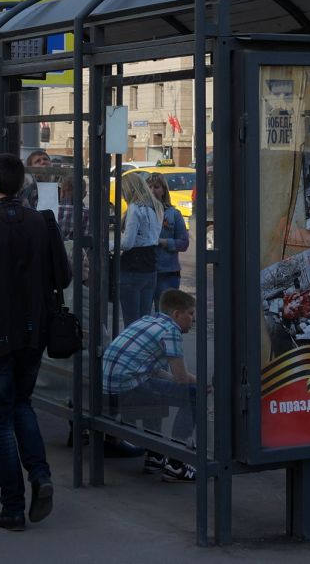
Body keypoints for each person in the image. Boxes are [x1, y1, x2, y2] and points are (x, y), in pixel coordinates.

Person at [0, 154, 71, 531]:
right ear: (22, 184)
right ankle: (40, 476)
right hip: (34, 334)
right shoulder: (41, 223)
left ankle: (12, 506)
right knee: (22, 404)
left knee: (0, 419)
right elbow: (64, 276)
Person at [101, 289, 199, 482]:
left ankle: (155, 456)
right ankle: (177, 462)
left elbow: (154, 371)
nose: (193, 319)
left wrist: (176, 380)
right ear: (176, 314)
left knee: (156, 387)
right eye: (191, 313)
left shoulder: (149, 320)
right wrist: (204, 384)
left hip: (110, 387)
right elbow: (181, 378)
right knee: (194, 394)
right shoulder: (171, 331)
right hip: (126, 390)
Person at [117, 170, 162, 327]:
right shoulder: (155, 207)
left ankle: (131, 351)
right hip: (150, 265)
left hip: (132, 266)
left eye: (122, 191)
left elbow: (127, 243)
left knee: (131, 323)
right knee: (144, 321)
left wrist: (108, 244)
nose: (122, 195)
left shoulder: (134, 209)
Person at [148, 172, 189, 313]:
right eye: (150, 187)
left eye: (157, 187)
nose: (153, 191)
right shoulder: (141, 212)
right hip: (146, 271)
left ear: (164, 190)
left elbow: (184, 243)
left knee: (167, 314)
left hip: (168, 272)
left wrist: (164, 242)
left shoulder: (173, 214)